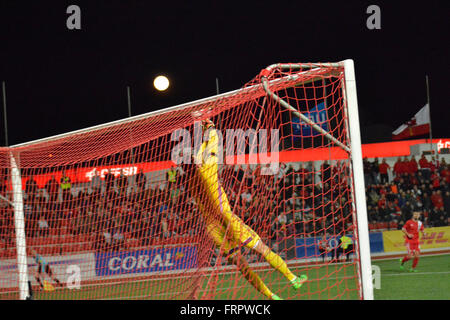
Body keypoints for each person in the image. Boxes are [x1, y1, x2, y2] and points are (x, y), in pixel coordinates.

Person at [182, 119, 307, 300]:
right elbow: (214, 141)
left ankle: (271, 296)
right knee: (262, 249)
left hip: (213, 228)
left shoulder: (189, 183)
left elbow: (196, 160)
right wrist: (209, 127)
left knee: (242, 267)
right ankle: (293, 278)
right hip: (226, 217)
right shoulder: (206, 168)